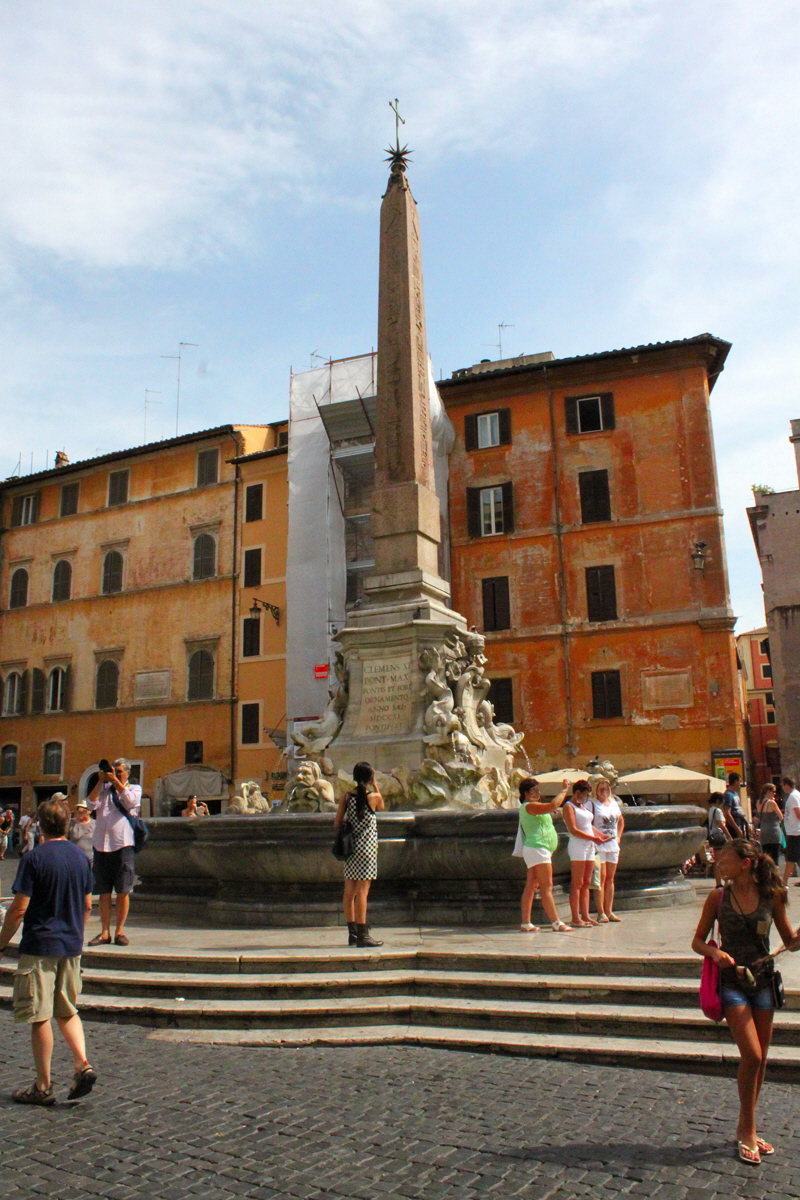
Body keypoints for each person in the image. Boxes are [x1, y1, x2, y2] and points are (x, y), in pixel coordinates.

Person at [692, 839, 800, 1164]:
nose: (718, 863)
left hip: (763, 981)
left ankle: (747, 1128)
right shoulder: (718, 897)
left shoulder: (772, 896)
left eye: (724, 859)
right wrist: (715, 952)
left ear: (745, 864)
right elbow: (697, 941)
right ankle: (747, 1128)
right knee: (751, 1055)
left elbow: (790, 941)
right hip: (732, 982)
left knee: (762, 1059)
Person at [0, 798, 97, 1105]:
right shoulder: (81, 858)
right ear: (67, 824)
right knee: (67, 1009)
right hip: (70, 945)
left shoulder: (35, 858)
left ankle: (42, 1086)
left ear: (40, 825)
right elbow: (87, 905)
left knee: (40, 1015)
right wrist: (77, 937)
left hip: (41, 944)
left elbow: (18, 909)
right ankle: (82, 1062)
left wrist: (1, 943)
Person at [86, 757, 141, 947]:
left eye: (119, 771)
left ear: (127, 773)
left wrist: (116, 782)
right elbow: (90, 805)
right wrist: (101, 780)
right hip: (101, 845)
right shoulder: (104, 791)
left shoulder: (134, 789)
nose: (115, 774)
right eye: (113, 771)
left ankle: (119, 931)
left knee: (123, 891)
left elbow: (131, 802)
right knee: (103, 892)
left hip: (123, 845)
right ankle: (104, 932)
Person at [333, 761, 385, 948]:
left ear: (354, 777)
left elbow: (337, 823)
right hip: (368, 849)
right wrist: (375, 785)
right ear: (370, 777)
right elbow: (382, 807)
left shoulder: (346, 797)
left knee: (350, 891)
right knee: (363, 892)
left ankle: (353, 934)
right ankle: (364, 935)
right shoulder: (374, 797)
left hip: (351, 848)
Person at [517, 777, 572, 933]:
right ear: (526, 793)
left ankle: (526, 923)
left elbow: (549, 810)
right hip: (538, 848)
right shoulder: (529, 806)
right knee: (547, 887)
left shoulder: (534, 807)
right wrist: (564, 790)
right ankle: (556, 922)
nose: (537, 793)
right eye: (534, 790)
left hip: (537, 849)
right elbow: (554, 804)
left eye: (538, 790)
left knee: (531, 886)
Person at [563, 780, 608, 926]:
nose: (586, 798)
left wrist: (600, 836)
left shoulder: (583, 807)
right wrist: (593, 838)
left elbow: (588, 826)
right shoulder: (569, 807)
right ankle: (575, 917)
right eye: (585, 795)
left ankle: (586, 915)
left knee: (587, 882)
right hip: (578, 845)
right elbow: (574, 830)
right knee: (577, 882)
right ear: (577, 793)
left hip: (589, 845)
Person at [587, 778, 625, 922]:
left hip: (613, 845)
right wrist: (597, 836)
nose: (604, 790)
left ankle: (609, 910)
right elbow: (587, 823)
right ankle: (600, 912)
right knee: (601, 878)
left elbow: (620, 821)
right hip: (599, 845)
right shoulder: (591, 804)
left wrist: (619, 836)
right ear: (596, 789)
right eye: (601, 788)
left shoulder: (614, 803)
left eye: (606, 788)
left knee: (610, 878)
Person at [755, 784, 783, 867]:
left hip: (764, 832)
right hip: (774, 832)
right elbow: (781, 817)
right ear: (768, 791)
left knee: (766, 859)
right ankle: (775, 878)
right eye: (773, 791)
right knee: (775, 859)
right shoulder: (771, 802)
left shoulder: (758, 802)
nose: (775, 793)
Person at [781, 777, 800, 885]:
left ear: (787, 785)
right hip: (794, 830)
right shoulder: (795, 795)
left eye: (783, 785)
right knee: (794, 857)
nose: (782, 788)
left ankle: (784, 882)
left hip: (795, 831)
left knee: (791, 858)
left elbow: (798, 813)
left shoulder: (793, 796)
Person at [722, 772, 749, 838]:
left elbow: (739, 809)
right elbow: (727, 814)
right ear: (736, 781)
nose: (740, 783)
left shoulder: (735, 794)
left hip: (741, 822)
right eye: (740, 781)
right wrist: (737, 829)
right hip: (734, 825)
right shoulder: (728, 795)